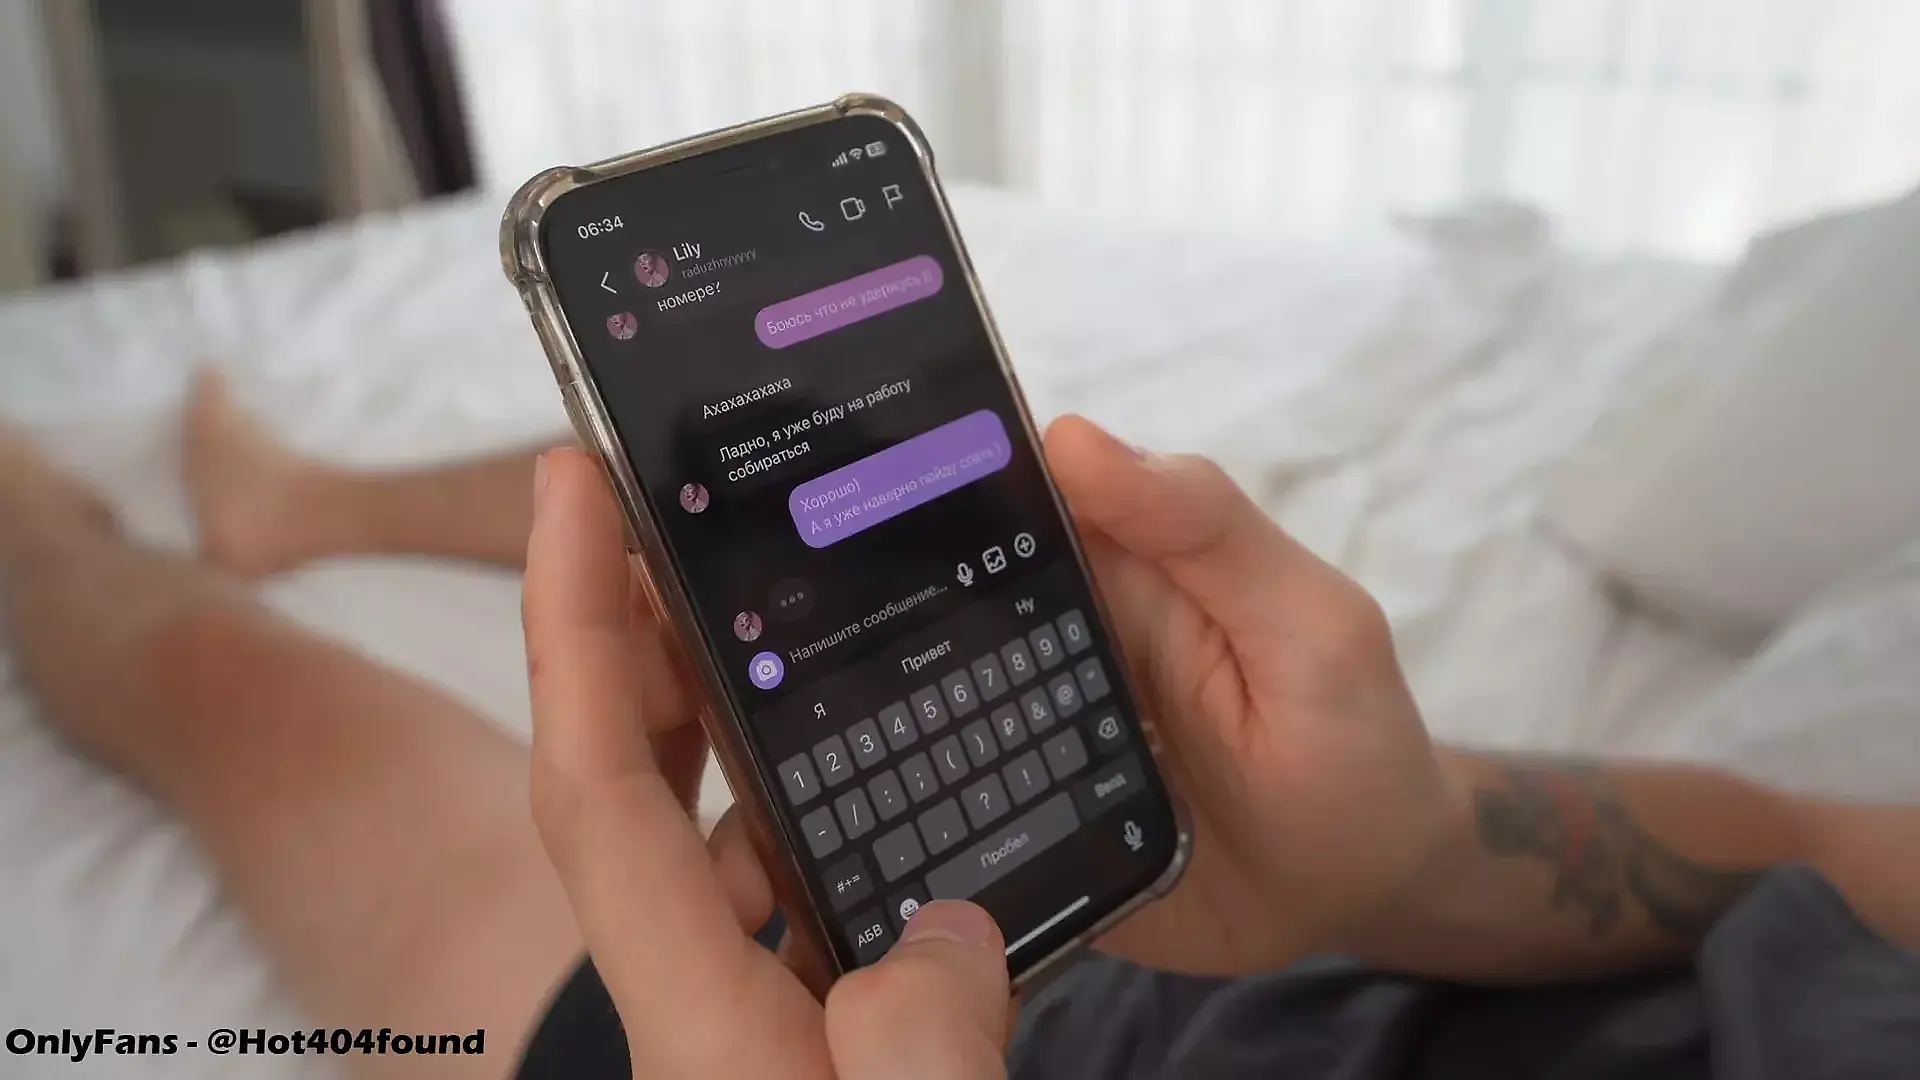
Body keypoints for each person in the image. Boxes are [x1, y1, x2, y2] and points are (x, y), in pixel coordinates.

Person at [1, 372, 1915, 1080]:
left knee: (210, 687)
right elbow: (1817, 853)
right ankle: (313, 504)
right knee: (752, 479)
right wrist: (1407, 861)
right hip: (1219, 917)